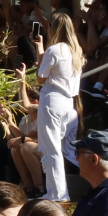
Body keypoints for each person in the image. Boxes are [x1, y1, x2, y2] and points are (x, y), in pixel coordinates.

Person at [33, 13, 83, 201]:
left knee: (50, 150)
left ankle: (57, 195)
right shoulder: (76, 50)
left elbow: (40, 78)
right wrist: (40, 49)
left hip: (52, 100)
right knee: (58, 150)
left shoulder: (54, 50)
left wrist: (41, 52)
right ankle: (57, 193)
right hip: (68, 103)